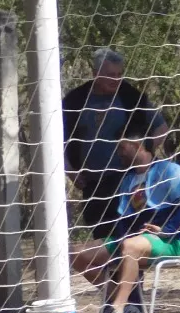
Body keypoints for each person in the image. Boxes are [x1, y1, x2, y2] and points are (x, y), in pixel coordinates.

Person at [70, 118, 180, 313]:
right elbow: (123, 218)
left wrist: (166, 230)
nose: (119, 152)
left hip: (168, 242)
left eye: (121, 146)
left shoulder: (170, 171)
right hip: (131, 242)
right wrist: (119, 240)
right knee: (75, 254)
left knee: (130, 246)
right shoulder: (127, 180)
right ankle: (123, 302)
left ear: (136, 145)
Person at [63, 47, 170, 239]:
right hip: (93, 183)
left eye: (120, 74)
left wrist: (143, 155)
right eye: (110, 75)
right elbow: (58, 141)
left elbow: (161, 129)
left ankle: (130, 269)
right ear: (95, 74)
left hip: (128, 181)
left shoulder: (131, 97)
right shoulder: (75, 100)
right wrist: (70, 171)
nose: (116, 79)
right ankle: (109, 270)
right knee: (102, 240)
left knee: (130, 238)